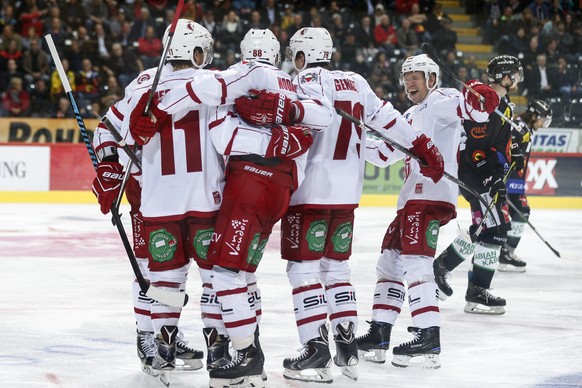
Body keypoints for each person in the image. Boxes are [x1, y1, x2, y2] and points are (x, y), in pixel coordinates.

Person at [146, 27, 330, 388]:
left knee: (226, 274)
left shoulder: (241, 75)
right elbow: (323, 118)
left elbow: (225, 136)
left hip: (250, 183)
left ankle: (247, 356)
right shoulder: (295, 85)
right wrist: (288, 125)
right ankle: (247, 351)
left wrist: (156, 109)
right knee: (243, 274)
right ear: (279, 55)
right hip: (282, 189)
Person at [258, 27, 444, 383]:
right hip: (346, 196)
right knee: (337, 270)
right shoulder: (355, 81)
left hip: (309, 193)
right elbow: (390, 120)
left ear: (300, 56)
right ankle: (345, 346)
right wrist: (422, 144)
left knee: (303, 271)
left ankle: (314, 351)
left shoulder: (300, 82)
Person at [355, 54, 497, 369]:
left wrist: (480, 96)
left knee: (416, 263)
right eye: (406, 78)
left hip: (430, 197)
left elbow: (473, 109)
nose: (409, 83)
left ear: (432, 78)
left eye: (415, 76)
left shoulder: (441, 99)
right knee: (389, 264)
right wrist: (351, 137)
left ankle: (428, 334)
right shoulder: (407, 115)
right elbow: (380, 154)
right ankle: (379, 333)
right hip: (410, 202)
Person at [433, 55, 524, 315]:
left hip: (483, 173)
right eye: (515, 75)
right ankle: (464, 282)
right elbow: (474, 149)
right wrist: (491, 177)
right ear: (505, 77)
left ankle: (450, 272)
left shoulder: (503, 105)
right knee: (494, 230)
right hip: (474, 173)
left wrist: (513, 148)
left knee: (488, 228)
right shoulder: (486, 104)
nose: (517, 80)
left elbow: (496, 142)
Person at [501, 99, 553, 271]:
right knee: (509, 215)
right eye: (543, 119)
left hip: (515, 182)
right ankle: (501, 252)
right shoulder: (518, 127)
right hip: (508, 181)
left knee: (520, 212)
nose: (543, 123)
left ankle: (505, 252)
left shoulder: (526, 128)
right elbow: (504, 153)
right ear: (534, 115)